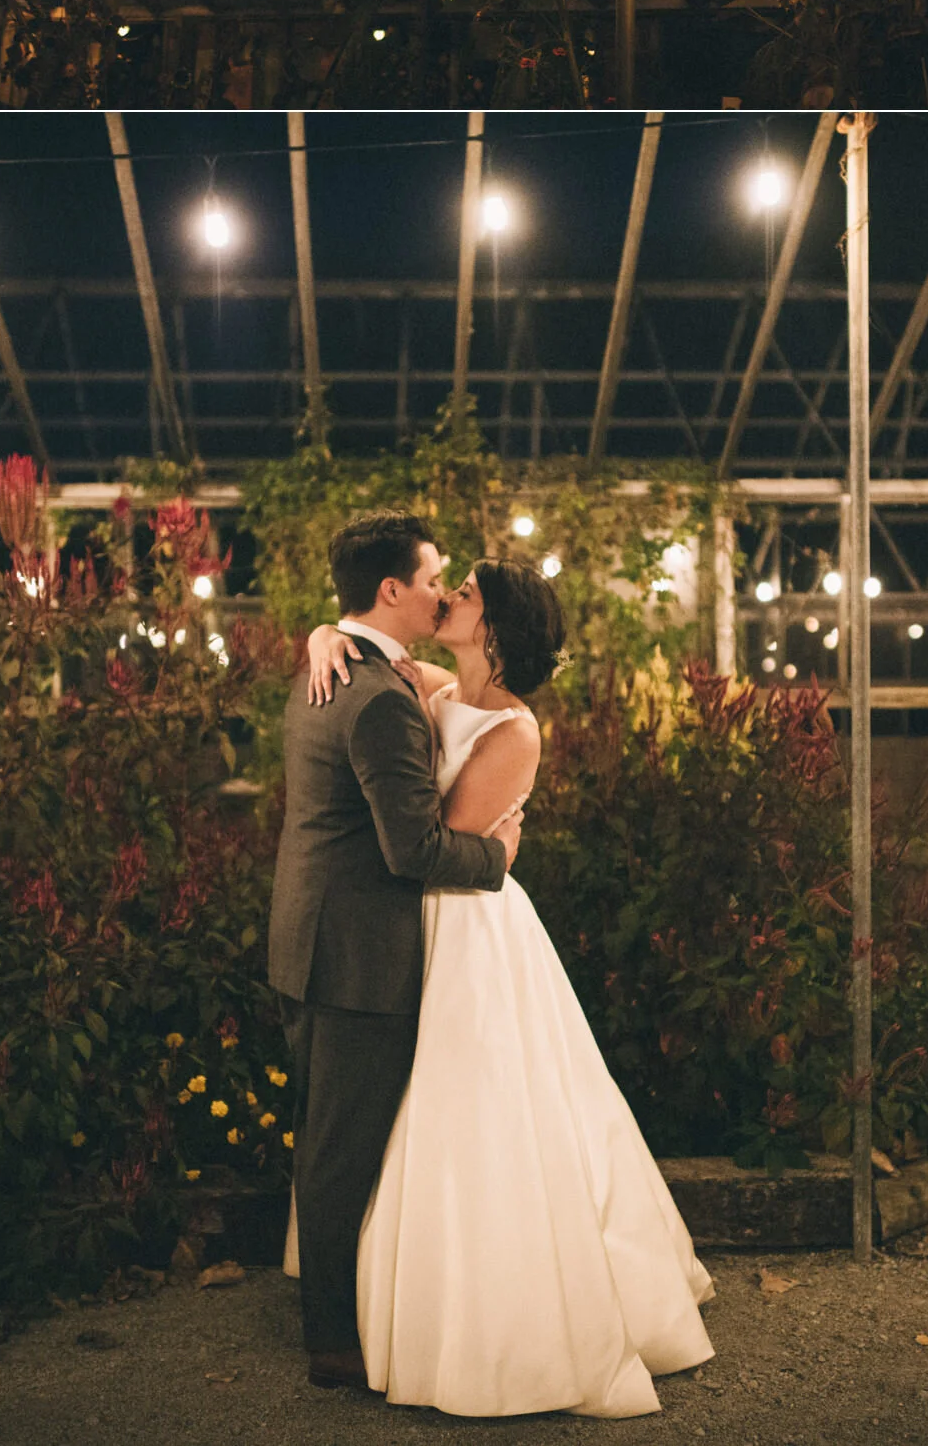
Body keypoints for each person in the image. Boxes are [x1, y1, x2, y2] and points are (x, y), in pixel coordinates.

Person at [297, 554, 715, 1419]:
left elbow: (438, 841)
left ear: (497, 625)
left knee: (476, 1113)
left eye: (469, 593)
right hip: (421, 918)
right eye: (449, 584)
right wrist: (321, 634)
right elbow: (365, 653)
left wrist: (496, 852)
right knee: (409, 1115)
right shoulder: (441, 686)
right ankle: (400, 1299)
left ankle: (493, 1317)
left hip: (467, 924)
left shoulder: (515, 730)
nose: (449, 597)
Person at [267, 510, 521, 1392]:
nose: (443, 589)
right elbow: (410, 850)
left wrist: (322, 628)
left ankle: (344, 1304)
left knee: (328, 1138)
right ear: (390, 590)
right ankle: (333, 1343)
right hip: (356, 954)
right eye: (432, 576)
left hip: (312, 935)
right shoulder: (374, 694)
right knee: (340, 1150)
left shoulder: (339, 660)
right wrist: (499, 855)